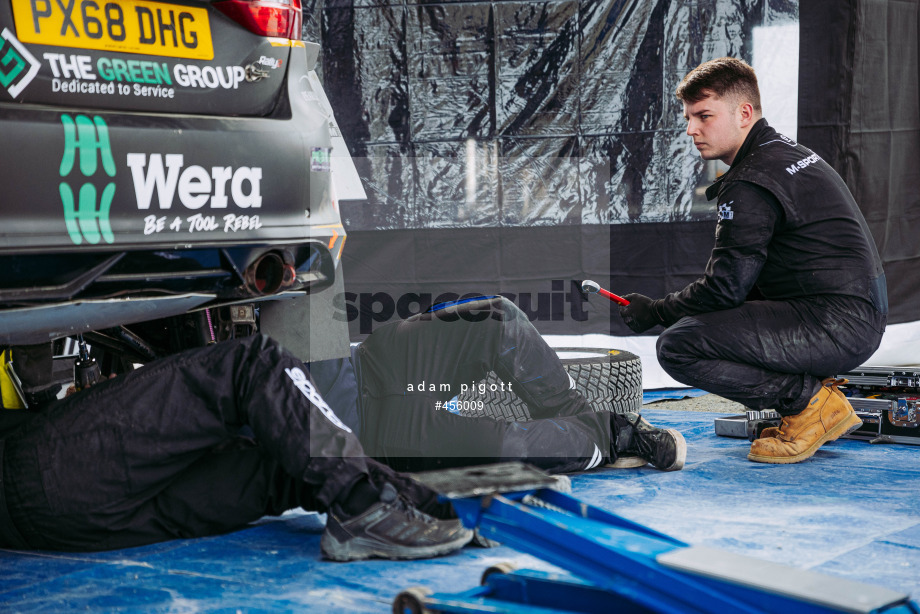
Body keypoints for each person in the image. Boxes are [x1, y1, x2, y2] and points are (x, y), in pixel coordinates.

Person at [615, 57, 888, 465]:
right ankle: (813, 404)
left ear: (744, 113)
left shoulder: (753, 180)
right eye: (689, 118)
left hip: (837, 322)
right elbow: (743, 287)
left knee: (679, 345)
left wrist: (656, 311)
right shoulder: (784, 154)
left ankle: (812, 406)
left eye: (704, 116)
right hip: (851, 313)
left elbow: (724, 288)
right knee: (715, 321)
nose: (692, 130)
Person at [0, 335, 472, 561]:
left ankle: (424, 507)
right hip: (34, 471)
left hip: (62, 526)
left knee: (282, 468)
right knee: (252, 363)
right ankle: (363, 505)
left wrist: (430, 502)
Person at [310, 295, 686, 476]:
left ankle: (580, 415)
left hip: (370, 359)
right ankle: (615, 436)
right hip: (371, 434)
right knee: (504, 446)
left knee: (496, 316)